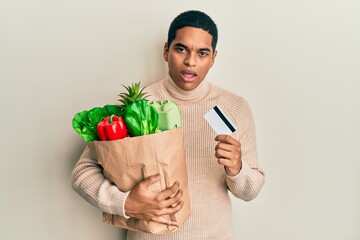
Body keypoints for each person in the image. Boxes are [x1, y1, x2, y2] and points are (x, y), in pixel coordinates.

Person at [71, 10, 265, 240]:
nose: (190, 61)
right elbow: (82, 173)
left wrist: (237, 168)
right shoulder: (137, 107)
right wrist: (126, 203)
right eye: (181, 49)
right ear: (166, 50)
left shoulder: (235, 108)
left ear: (213, 58)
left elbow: (250, 191)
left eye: (202, 53)